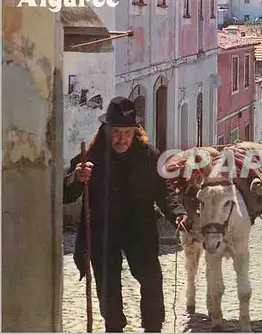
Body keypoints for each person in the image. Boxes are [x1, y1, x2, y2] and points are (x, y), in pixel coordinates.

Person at [63, 96, 188, 332]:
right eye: (117, 132)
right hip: (103, 229)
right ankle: (114, 328)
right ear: (107, 130)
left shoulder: (148, 155)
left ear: (135, 132)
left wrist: (178, 213)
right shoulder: (91, 156)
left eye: (127, 133)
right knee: (108, 285)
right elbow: (66, 194)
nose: (122, 139)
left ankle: (152, 327)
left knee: (151, 280)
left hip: (139, 229)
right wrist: (78, 179)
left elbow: (164, 191)